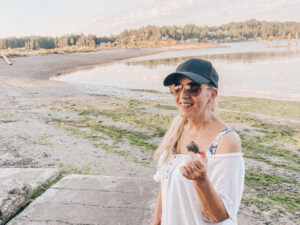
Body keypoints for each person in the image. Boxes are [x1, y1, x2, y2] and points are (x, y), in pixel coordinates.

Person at [151, 58, 245, 225]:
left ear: (212, 94)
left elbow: (220, 216)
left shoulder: (226, 141)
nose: (183, 95)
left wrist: (201, 181)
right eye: (177, 87)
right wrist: (156, 222)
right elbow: (165, 189)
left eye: (193, 87)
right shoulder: (176, 129)